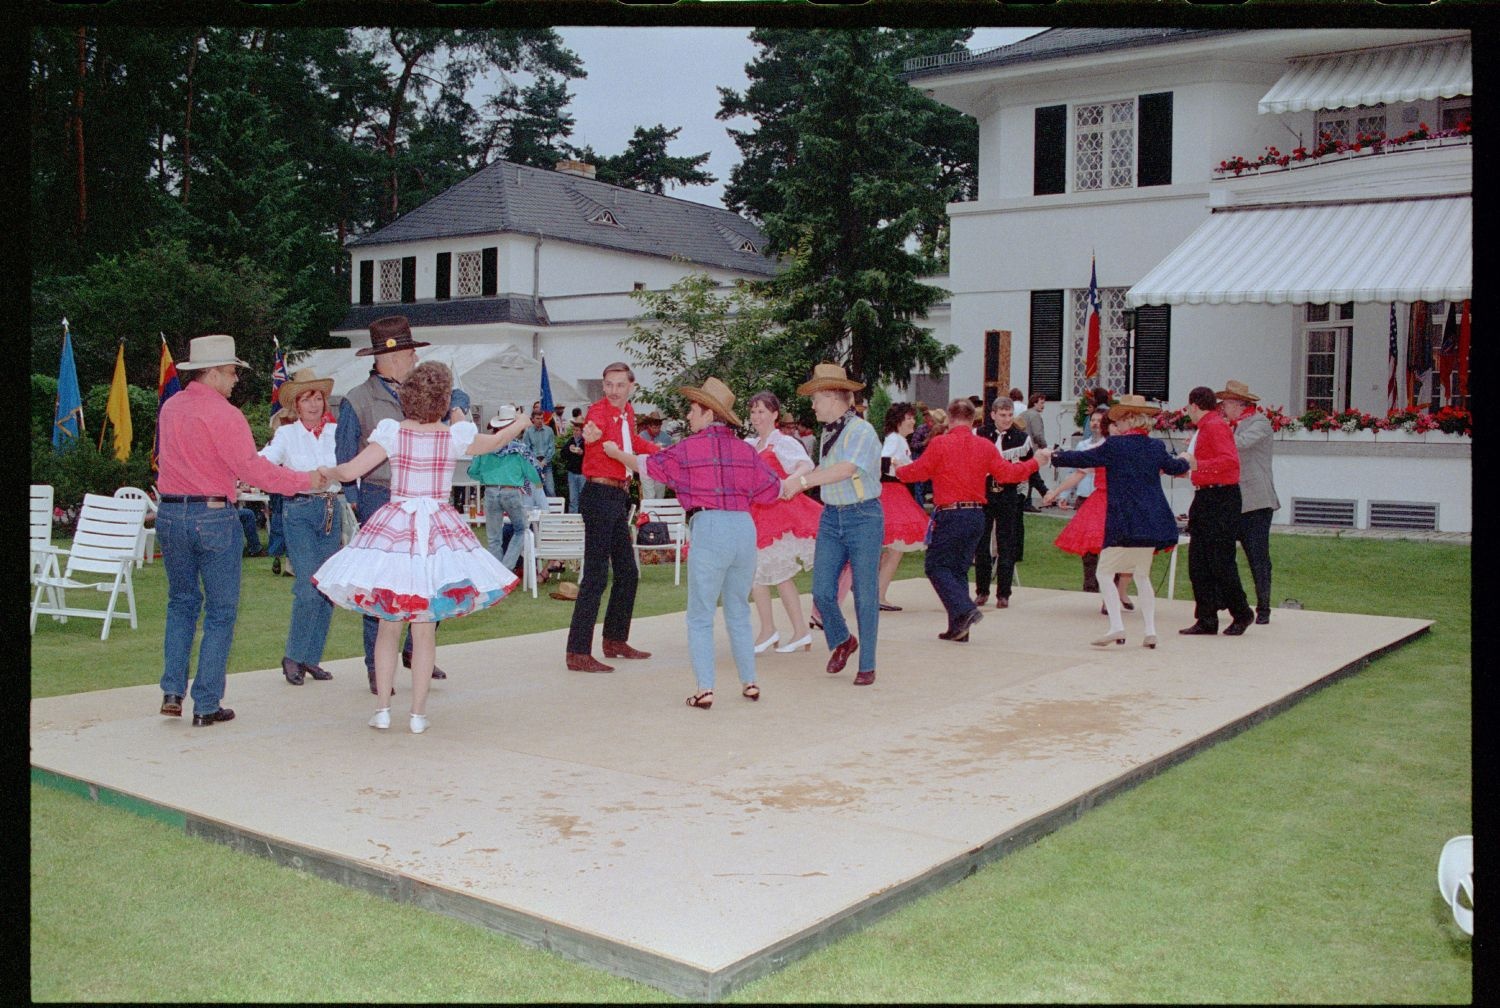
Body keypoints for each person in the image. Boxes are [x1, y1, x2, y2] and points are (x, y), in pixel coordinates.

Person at [314, 361, 523, 733]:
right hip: (437, 530)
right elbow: (495, 442)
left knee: (388, 624)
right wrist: (520, 423)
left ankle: (382, 709)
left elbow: (349, 471)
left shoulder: (393, 432)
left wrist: (324, 473)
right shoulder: (455, 436)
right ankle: (417, 714)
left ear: (406, 396)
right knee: (424, 628)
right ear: (444, 400)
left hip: (396, 528)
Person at [154, 334, 326, 727]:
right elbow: (253, 470)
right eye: (231, 372)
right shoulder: (225, 414)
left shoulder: (171, 408)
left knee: (181, 603)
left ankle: (172, 691)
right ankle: (207, 703)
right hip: (213, 516)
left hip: (169, 513)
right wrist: (306, 481)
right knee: (220, 612)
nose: (235, 379)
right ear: (212, 373)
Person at [604, 378, 781, 709]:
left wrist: (616, 453)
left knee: (700, 614)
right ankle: (750, 682)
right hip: (744, 527)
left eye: (693, 410)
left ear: (709, 414)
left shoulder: (688, 448)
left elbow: (650, 467)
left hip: (709, 525)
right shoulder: (746, 450)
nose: (688, 416)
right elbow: (772, 489)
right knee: (739, 610)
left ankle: (705, 688)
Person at [336, 315, 470, 692]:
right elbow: (345, 452)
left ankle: (416, 649)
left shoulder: (427, 395)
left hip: (427, 501)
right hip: (381, 498)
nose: (414, 361)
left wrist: (458, 401)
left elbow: (456, 399)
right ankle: (377, 668)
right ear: (391, 358)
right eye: (410, 355)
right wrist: (353, 503)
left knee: (433, 580)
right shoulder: (357, 399)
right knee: (380, 589)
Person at [894, 399, 1049, 643]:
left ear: (949, 417)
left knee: (936, 566)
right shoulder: (985, 446)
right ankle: (959, 628)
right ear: (973, 419)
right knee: (958, 570)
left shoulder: (940, 444)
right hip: (977, 514)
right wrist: (1035, 462)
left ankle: (965, 610)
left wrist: (897, 469)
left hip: (951, 513)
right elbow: (1008, 474)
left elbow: (918, 472)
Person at [1050, 395, 1193, 648]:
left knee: (1104, 572)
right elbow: (1174, 467)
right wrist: (1186, 459)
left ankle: (1117, 627)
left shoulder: (1115, 446)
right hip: (1151, 521)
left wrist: (1054, 456)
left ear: (1128, 420)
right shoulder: (1155, 447)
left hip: (1124, 521)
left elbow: (1084, 459)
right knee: (1142, 575)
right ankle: (1150, 631)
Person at [778, 363, 883, 686]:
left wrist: (803, 481)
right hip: (832, 517)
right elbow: (826, 467)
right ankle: (843, 640)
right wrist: (793, 478)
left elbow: (846, 469)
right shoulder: (828, 431)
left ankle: (867, 664)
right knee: (823, 592)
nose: (812, 405)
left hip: (863, 516)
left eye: (816, 399)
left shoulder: (862, 431)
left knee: (865, 594)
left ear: (834, 398)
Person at [568, 362, 662, 672]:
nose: (613, 390)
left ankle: (615, 640)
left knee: (627, 572)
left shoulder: (628, 413)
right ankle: (578, 653)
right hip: (599, 495)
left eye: (619, 385)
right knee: (596, 574)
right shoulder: (598, 410)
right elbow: (593, 431)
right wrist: (591, 435)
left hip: (617, 496)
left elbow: (631, 443)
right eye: (608, 384)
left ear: (631, 386)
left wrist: (658, 452)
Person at [257, 367, 346, 686]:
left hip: (331, 511)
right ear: (295, 403)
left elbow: (353, 463)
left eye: (318, 397)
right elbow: (265, 461)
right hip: (299, 511)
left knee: (327, 588)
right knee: (309, 588)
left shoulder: (336, 433)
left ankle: (311, 657)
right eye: (306, 398)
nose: (313, 404)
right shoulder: (286, 434)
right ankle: (293, 655)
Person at [743, 391, 821, 653]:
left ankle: (784, 630)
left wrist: (792, 482)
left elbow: (805, 465)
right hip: (757, 513)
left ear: (775, 414)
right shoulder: (752, 444)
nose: (756, 417)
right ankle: (789, 631)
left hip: (777, 513)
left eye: (762, 411)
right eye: (753, 412)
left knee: (768, 573)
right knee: (766, 573)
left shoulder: (783, 443)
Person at [1179, 385, 1256, 637]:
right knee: (1199, 561)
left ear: (1194, 405)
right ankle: (1206, 617)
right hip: (1206, 496)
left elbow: (1230, 461)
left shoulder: (1214, 426)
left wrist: (1198, 464)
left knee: (1221, 560)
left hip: (1221, 497)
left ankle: (1241, 612)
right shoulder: (1205, 428)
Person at [1043, 405, 1135, 613]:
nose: (1115, 428)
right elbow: (1079, 472)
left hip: (1123, 502)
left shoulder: (1129, 446)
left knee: (1125, 550)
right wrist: (1056, 492)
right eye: (1110, 425)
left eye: (1117, 424)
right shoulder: (1101, 448)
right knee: (1104, 551)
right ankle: (1107, 596)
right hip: (1101, 501)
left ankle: (1118, 592)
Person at [1217, 379, 1279, 625]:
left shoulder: (1259, 423)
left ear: (1240, 404)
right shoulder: (1229, 426)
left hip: (1256, 502)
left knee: (1258, 557)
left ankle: (1264, 607)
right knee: (1222, 553)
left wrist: (1212, 436)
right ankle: (1228, 600)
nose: (1223, 407)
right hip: (1232, 500)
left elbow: (1240, 445)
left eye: (1226, 403)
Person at [972, 396, 1033, 610]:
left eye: (1010, 415)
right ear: (993, 415)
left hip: (1008, 495)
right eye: (1003, 415)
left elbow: (1030, 468)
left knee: (1006, 544)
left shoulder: (1021, 438)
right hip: (984, 493)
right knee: (981, 543)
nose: (1007, 419)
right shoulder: (980, 434)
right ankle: (982, 590)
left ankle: (1004, 593)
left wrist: (1040, 492)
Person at [467, 403, 540, 573]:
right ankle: (505, 570)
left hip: (491, 491)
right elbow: (534, 472)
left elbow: (472, 471)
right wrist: (532, 482)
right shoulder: (520, 449)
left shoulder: (485, 446)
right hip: (511, 491)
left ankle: (495, 573)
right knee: (521, 529)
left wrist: (487, 478)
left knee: (493, 537)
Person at [876, 402, 929, 611]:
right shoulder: (895, 440)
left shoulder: (898, 440)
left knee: (893, 548)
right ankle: (878, 594)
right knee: (896, 547)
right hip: (892, 493)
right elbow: (884, 460)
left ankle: (873, 589)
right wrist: (897, 467)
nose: (913, 421)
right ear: (899, 421)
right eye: (909, 418)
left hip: (894, 492)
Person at [1018, 392, 1050, 509]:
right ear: (1034, 402)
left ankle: (1038, 497)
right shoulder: (1035, 415)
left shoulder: (1022, 414)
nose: (1043, 406)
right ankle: (1046, 495)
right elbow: (1037, 434)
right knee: (1033, 475)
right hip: (1032, 449)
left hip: (1022, 449)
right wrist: (1044, 447)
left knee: (1031, 475)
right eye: (1041, 403)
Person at [636, 407, 674, 501]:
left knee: (659, 495)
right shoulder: (641, 436)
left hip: (660, 470)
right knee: (649, 496)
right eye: (654, 427)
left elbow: (669, 455)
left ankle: (658, 514)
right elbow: (638, 453)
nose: (656, 429)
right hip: (646, 469)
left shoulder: (666, 437)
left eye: (658, 427)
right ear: (648, 426)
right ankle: (648, 515)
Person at [521, 407, 557, 497]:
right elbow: (526, 450)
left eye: (541, 418)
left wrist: (545, 461)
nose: (540, 420)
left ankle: (553, 510)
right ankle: (540, 510)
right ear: (532, 419)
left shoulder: (549, 431)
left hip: (546, 464)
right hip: (534, 466)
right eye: (537, 418)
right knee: (537, 490)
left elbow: (551, 448)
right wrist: (536, 462)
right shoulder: (528, 432)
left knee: (550, 490)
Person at [562, 408, 587, 512]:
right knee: (573, 498)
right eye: (574, 430)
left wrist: (582, 453)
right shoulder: (571, 441)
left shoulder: (586, 442)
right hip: (572, 473)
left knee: (583, 497)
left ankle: (583, 518)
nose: (575, 432)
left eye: (577, 430)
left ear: (582, 431)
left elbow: (591, 457)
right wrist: (569, 449)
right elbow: (562, 455)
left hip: (582, 473)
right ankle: (572, 520)